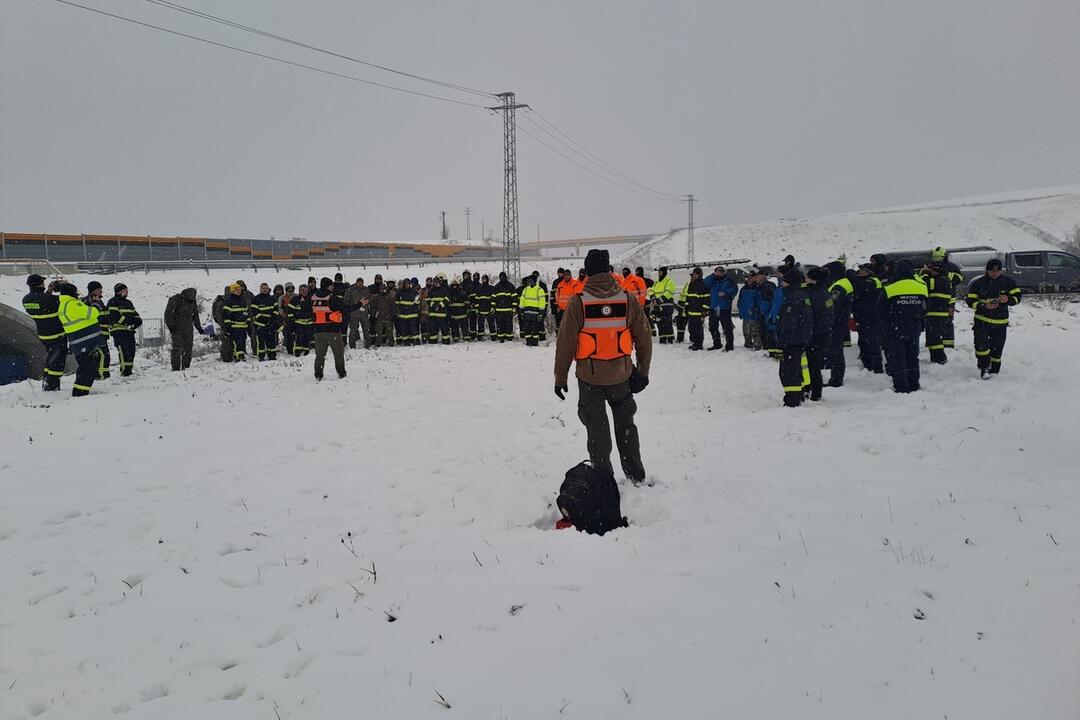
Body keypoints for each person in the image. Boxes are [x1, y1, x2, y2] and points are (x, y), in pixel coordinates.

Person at [554, 249, 652, 485]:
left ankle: (603, 479)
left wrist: (560, 378)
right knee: (626, 426)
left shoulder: (579, 303)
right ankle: (635, 475)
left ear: (587, 271)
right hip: (622, 376)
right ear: (609, 270)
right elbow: (644, 337)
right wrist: (643, 372)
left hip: (590, 379)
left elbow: (565, 343)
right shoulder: (627, 299)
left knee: (597, 431)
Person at [966, 258, 1021, 377]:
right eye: (992, 271)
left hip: (1001, 322)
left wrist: (1008, 299)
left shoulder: (1008, 282)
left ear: (1001, 270)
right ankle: (984, 367)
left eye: (997, 271)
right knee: (981, 346)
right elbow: (970, 301)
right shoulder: (978, 283)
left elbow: (1018, 297)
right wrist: (983, 306)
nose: (995, 273)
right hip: (982, 321)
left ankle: (995, 369)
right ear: (987, 271)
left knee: (998, 347)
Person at [882, 260, 928, 392]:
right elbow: (925, 308)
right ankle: (914, 384)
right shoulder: (921, 287)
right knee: (912, 357)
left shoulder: (890, 287)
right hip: (914, 327)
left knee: (898, 357)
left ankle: (901, 386)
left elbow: (880, 309)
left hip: (895, 327)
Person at [56, 283, 105, 397]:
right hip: (84, 343)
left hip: (80, 343)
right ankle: (80, 393)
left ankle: (79, 391)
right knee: (89, 369)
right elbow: (92, 314)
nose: (77, 295)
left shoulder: (64, 304)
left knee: (85, 368)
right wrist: (96, 304)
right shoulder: (72, 304)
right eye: (75, 293)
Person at [22, 274, 67, 391]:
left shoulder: (26, 300)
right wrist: (66, 288)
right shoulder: (51, 300)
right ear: (40, 283)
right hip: (56, 334)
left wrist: (49, 292)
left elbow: (42, 303)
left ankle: (47, 381)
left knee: (51, 358)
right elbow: (66, 302)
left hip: (43, 335)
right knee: (57, 361)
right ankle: (52, 386)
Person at [776, 269, 812, 407]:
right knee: (797, 369)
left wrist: (781, 343)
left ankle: (792, 400)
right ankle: (800, 394)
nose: (782, 284)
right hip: (801, 339)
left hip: (792, 342)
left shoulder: (792, 300)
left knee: (788, 373)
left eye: (784, 281)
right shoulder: (803, 296)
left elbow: (789, 325)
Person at [804, 268, 835, 401]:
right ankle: (814, 390)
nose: (806, 279)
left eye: (808, 277)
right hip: (821, 332)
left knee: (813, 364)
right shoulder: (823, 292)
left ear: (814, 279)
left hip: (815, 334)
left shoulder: (816, 294)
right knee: (814, 364)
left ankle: (815, 392)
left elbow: (809, 314)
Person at [824, 260, 853, 387]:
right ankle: (836, 376)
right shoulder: (841, 283)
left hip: (836, 322)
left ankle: (836, 378)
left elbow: (833, 305)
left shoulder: (839, 286)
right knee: (835, 349)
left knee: (835, 350)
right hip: (839, 320)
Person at [311, 277, 347, 380]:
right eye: (331, 285)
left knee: (320, 355)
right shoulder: (332, 298)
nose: (333, 287)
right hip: (332, 331)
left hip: (318, 332)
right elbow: (345, 309)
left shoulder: (313, 298)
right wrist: (359, 304)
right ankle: (341, 373)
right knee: (338, 354)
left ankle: (318, 374)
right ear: (328, 286)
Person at [852, 262, 884, 373]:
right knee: (864, 342)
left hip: (872, 318)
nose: (859, 272)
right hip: (864, 318)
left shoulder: (874, 281)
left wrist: (855, 280)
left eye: (861, 270)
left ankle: (876, 367)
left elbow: (862, 288)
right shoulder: (864, 281)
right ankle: (868, 364)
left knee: (872, 342)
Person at [930, 246, 964, 350]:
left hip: (949, 300)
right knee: (934, 324)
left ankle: (948, 346)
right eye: (935, 258)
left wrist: (943, 273)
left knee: (947, 322)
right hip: (934, 300)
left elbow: (959, 278)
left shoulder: (951, 267)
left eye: (939, 259)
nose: (936, 261)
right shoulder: (930, 266)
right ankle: (936, 344)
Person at [104, 283, 142, 377]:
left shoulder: (128, 303)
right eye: (126, 290)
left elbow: (135, 314)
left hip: (129, 332)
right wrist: (127, 322)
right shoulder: (113, 302)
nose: (127, 292)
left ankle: (129, 371)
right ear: (120, 291)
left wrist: (137, 321)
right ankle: (124, 372)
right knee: (123, 351)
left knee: (131, 351)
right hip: (119, 332)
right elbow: (114, 316)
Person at [163, 287, 202, 371]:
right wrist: (171, 327)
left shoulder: (192, 302)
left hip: (188, 329)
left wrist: (199, 327)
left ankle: (186, 367)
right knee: (177, 348)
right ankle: (176, 368)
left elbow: (195, 315)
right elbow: (168, 314)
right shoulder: (175, 299)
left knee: (188, 348)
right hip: (177, 329)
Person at [921, 263, 951, 364]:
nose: (930, 271)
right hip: (934, 313)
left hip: (938, 313)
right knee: (931, 337)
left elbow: (925, 283)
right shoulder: (940, 279)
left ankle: (941, 359)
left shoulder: (942, 279)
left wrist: (924, 273)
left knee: (934, 337)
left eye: (931, 270)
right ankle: (935, 358)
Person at [703, 266, 738, 351]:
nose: (719, 273)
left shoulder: (729, 280)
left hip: (724, 307)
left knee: (726, 327)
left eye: (720, 271)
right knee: (712, 326)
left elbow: (735, 289)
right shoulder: (713, 280)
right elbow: (705, 282)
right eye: (717, 271)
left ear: (724, 272)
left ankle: (729, 345)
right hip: (715, 307)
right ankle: (717, 343)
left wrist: (726, 293)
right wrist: (713, 275)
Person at [84, 281, 112, 381]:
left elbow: (104, 315)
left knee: (104, 355)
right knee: (102, 355)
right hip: (95, 334)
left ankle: (103, 375)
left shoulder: (100, 302)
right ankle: (100, 376)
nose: (101, 291)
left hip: (102, 333)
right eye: (100, 289)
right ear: (94, 290)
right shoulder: (88, 302)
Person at [249, 282, 279, 361]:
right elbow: (254, 310)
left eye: (266, 288)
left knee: (272, 340)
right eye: (263, 288)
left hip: (270, 323)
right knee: (261, 341)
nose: (265, 290)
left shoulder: (272, 298)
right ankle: (261, 356)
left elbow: (276, 309)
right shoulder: (256, 299)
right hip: (260, 324)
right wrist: (262, 319)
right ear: (260, 289)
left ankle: (272, 355)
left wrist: (273, 317)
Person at [684, 268, 710, 351]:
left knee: (698, 329)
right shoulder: (691, 284)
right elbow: (688, 297)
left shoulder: (703, 284)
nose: (694, 276)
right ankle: (694, 342)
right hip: (691, 311)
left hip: (699, 312)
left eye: (695, 274)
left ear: (699, 275)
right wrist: (686, 307)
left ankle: (699, 344)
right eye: (693, 274)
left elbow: (706, 299)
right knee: (691, 328)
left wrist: (704, 310)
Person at [648, 266, 676, 344]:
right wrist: (653, 298)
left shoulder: (669, 281)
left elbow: (669, 292)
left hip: (666, 306)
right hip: (658, 306)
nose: (659, 273)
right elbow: (650, 290)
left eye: (660, 272)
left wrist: (658, 300)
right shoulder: (657, 282)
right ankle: (662, 339)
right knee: (660, 323)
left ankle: (670, 340)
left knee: (667, 323)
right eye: (658, 272)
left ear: (664, 272)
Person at [222, 283, 250, 361]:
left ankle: (241, 355)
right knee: (236, 342)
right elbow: (226, 314)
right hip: (234, 326)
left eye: (239, 290)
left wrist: (246, 320)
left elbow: (246, 311)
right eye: (236, 290)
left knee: (242, 341)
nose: (238, 291)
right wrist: (228, 325)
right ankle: (237, 356)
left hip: (243, 325)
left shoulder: (242, 300)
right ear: (232, 291)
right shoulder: (229, 301)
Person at [736, 269, 762, 350]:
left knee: (755, 332)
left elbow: (760, 301)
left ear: (755, 278)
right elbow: (740, 301)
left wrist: (755, 310)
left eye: (751, 277)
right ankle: (748, 345)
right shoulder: (744, 289)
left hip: (754, 314)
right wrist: (740, 309)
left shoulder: (758, 288)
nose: (749, 279)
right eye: (748, 277)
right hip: (745, 314)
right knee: (746, 332)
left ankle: (757, 346)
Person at [519, 274, 546, 346]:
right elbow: (522, 301)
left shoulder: (539, 290)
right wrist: (521, 311)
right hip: (527, 313)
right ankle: (528, 342)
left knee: (535, 330)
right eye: (529, 281)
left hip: (535, 314)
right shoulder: (525, 289)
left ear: (534, 281)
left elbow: (542, 303)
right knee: (527, 329)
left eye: (531, 280)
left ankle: (534, 343)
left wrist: (541, 314)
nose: (529, 282)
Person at [344, 277, 371, 349]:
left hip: (364, 313)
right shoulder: (351, 290)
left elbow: (370, 299)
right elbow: (346, 300)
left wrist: (367, 305)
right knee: (353, 330)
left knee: (366, 330)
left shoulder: (366, 290)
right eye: (359, 282)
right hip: (354, 313)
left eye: (361, 282)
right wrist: (352, 306)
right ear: (356, 282)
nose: (360, 284)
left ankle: (367, 345)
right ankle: (352, 345)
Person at [287, 283, 314, 356]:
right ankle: (297, 350)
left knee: (307, 337)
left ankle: (306, 350)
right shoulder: (295, 299)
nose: (304, 291)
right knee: (299, 337)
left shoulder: (311, 299)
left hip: (309, 322)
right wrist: (291, 320)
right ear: (299, 291)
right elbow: (289, 310)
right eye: (302, 290)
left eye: (305, 290)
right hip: (299, 323)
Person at [492, 272, 517, 342]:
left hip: (508, 310)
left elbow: (514, 298)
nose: (502, 278)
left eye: (503, 277)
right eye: (501, 277)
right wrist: (493, 308)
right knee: (500, 325)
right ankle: (501, 338)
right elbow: (493, 299)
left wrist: (514, 308)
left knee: (508, 325)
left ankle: (509, 338)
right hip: (499, 310)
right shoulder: (496, 287)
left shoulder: (510, 286)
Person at [369, 282, 397, 347]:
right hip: (379, 317)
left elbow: (393, 307)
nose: (383, 290)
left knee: (389, 331)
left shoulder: (390, 297)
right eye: (381, 289)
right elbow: (373, 307)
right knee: (378, 331)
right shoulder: (376, 297)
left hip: (388, 316)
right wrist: (372, 316)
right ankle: (378, 342)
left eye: (384, 289)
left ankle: (391, 342)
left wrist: (394, 315)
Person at [426, 275, 451, 344]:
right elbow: (428, 300)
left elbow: (447, 299)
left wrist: (439, 306)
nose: (436, 283)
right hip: (433, 315)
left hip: (442, 314)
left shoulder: (444, 290)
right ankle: (433, 341)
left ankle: (446, 341)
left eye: (437, 282)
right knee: (433, 330)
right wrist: (434, 306)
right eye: (435, 282)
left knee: (444, 329)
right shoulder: (431, 291)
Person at [394, 278, 420, 345]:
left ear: (410, 284)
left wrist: (414, 308)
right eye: (405, 284)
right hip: (403, 315)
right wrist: (399, 311)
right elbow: (396, 303)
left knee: (414, 329)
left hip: (412, 315)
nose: (406, 285)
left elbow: (417, 302)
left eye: (408, 284)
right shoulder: (399, 292)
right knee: (404, 330)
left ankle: (416, 341)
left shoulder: (414, 292)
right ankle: (405, 342)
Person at [212, 285, 232, 361]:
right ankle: (225, 357)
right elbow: (219, 315)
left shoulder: (229, 300)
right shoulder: (222, 302)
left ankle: (229, 355)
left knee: (229, 341)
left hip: (230, 324)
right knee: (225, 341)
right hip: (224, 325)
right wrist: (222, 325)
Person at [473, 274, 495, 340]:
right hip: (481, 310)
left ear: (487, 279)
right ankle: (480, 336)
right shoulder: (479, 288)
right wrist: (476, 308)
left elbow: (493, 299)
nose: (484, 280)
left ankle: (493, 336)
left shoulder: (491, 288)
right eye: (483, 279)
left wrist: (492, 307)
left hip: (489, 310)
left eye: (485, 279)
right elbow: (476, 299)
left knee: (491, 324)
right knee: (480, 325)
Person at [279, 283, 296, 355]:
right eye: (288, 289)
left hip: (295, 318)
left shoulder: (296, 296)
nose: (290, 291)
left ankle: (296, 348)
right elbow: (279, 307)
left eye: (291, 289)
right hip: (286, 318)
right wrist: (282, 313)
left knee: (296, 335)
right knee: (287, 334)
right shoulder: (282, 297)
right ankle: (289, 349)